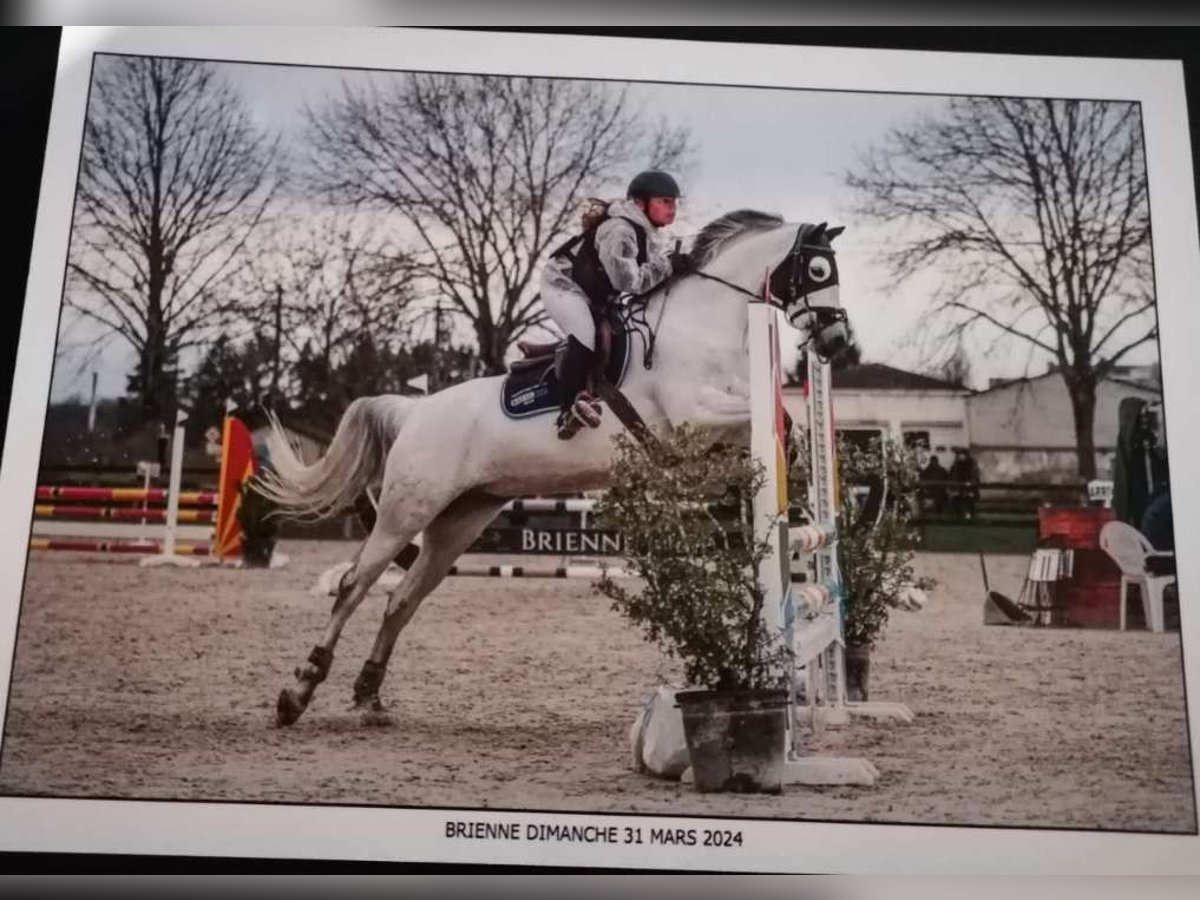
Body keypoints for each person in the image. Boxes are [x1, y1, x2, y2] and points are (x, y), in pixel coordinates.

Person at [539, 170, 693, 439]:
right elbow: (628, 282)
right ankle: (568, 410)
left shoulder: (647, 234)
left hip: (595, 295)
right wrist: (668, 265)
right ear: (641, 203)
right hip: (563, 285)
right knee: (585, 333)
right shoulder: (620, 230)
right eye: (665, 201)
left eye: (674, 202)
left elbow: (650, 277)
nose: (672, 209)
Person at [948, 447, 980, 519]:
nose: (961, 456)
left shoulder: (971, 465)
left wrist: (972, 485)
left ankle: (969, 516)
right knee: (958, 501)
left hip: (968, 487)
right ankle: (959, 515)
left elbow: (974, 476)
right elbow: (952, 476)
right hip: (960, 487)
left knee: (968, 502)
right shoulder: (956, 465)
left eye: (962, 455)